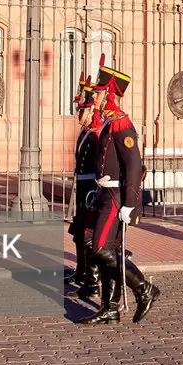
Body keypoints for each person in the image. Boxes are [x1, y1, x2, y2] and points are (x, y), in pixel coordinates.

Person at [80, 59, 160, 325]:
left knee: (101, 248)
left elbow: (134, 165)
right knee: (101, 249)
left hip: (115, 198)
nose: (96, 97)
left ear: (110, 94)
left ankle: (143, 289)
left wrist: (129, 203)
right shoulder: (108, 122)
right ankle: (110, 306)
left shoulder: (122, 123)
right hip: (104, 194)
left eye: (99, 93)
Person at [67, 75, 100, 297]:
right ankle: (80, 272)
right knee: (78, 232)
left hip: (90, 187)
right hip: (81, 185)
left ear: (90, 111)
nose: (78, 114)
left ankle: (91, 278)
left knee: (88, 234)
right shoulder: (84, 131)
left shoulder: (96, 134)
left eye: (82, 110)